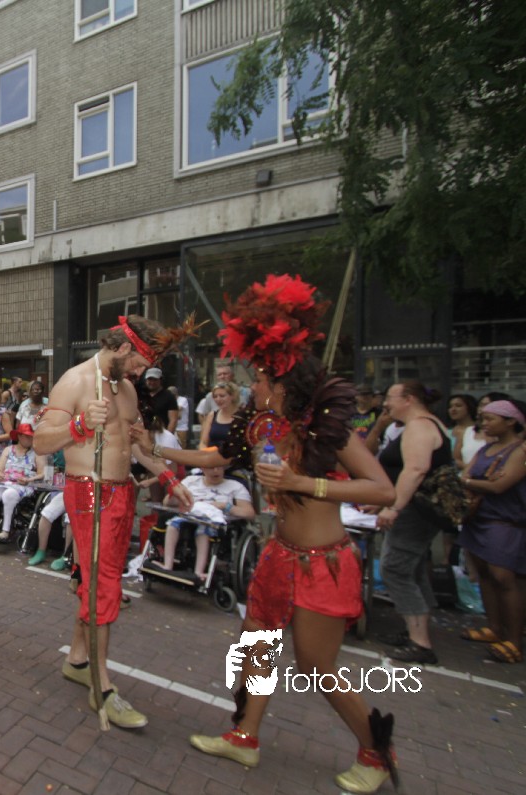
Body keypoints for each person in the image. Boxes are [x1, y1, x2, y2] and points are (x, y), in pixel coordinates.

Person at [143, 275, 398, 794]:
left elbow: (382, 489)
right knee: (256, 646)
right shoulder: (263, 426)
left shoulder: (327, 431)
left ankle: (376, 751)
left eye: (259, 379)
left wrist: (304, 483)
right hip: (279, 555)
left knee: (317, 667)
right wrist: (155, 449)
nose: (251, 387)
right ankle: (245, 736)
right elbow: (216, 456)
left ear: (283, 386)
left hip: (324, 562)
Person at [35, 315, 197, 731]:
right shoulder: (74, 381)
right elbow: (40, 442)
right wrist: (79, 425)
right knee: (104, 585)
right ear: (124, 348)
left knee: (98, 579)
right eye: (141, 363)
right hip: (89, 494)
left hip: (124, 495)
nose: (143, 372)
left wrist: (169, 479)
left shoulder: (125, 388)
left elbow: (136, 447)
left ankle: (77, 659)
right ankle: (101, 685)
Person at [375, 380, 453, 664]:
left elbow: (416, 470)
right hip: (416, 508)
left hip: (415, 511)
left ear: (408, 399)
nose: (386, 404)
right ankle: (414, 629)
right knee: (414, 569)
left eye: (390, 397)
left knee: (395, 568)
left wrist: (394, 507)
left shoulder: (419, 426)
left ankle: (420, 642)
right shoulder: (424, 424)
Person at [458, 399, 526, 663]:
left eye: (490, 419)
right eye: (482, 418)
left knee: (504, 578)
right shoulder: (487, 448)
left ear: (510, 422)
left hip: (503, 522)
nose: (483, 423)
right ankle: (495, 627)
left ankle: (514, 640)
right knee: (484, 575)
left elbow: (500, 486)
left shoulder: (520, 450)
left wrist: (469, 481)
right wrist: (475, 481)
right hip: (478, 519)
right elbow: (466, 475)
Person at [156, 460, 254, 577]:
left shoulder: (235, 486)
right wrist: (175, 498)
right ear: (202, 468)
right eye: (211, 467)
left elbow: (249, 513)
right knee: (172, 524)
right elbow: (167, 502)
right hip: (190, 515)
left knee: (202, 530)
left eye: (219, 467)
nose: (216, 471)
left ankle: (199, 572)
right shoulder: (190, 481)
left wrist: (225, 506)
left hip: (214, 522)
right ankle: (167, 565)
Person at [0, 423, 47, 541]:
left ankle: (5, 531)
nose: (30, 439)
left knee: (8, 494)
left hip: (24, 485)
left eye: (31, 436)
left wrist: (29, 479)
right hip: (5, 482)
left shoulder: (37, 452)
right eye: (27, 436)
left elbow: (42, 473)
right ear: (19, 436)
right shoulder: (8, 450)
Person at [198, 381, 241, 450]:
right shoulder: (212, 415)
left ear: (232, 396)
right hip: (211, 454)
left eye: (222, 396)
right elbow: (203, 442)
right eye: (215, 396)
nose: (218, 399)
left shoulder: (242, 416)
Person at [143, 367, 179, 435]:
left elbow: (173, 420)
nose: (152, 382)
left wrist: (168, 436)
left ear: (160, 380)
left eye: (155, 380)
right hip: (144, 434)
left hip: (162, 434)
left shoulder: (169, 396)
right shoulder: (141, 395)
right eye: (150, 379)